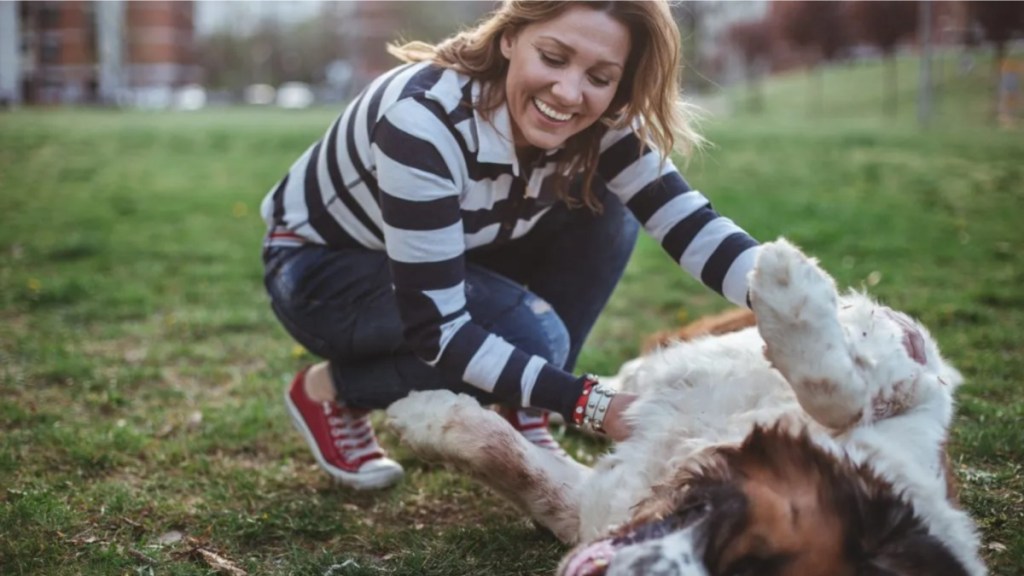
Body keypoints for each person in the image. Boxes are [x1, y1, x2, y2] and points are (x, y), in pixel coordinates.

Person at [260, 0, 760, 490]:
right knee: (533, 338)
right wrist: (591, 403)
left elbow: (688, 222)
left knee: (605, 204)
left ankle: (524, 408)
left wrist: (796, 298)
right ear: (509, 37)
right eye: (554, 57)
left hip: (465, 241)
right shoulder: (423, 122)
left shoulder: (602, 119)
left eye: (600, 77)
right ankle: (329, 392)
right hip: (319, 270)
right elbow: (440, 332)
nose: (569, 93)